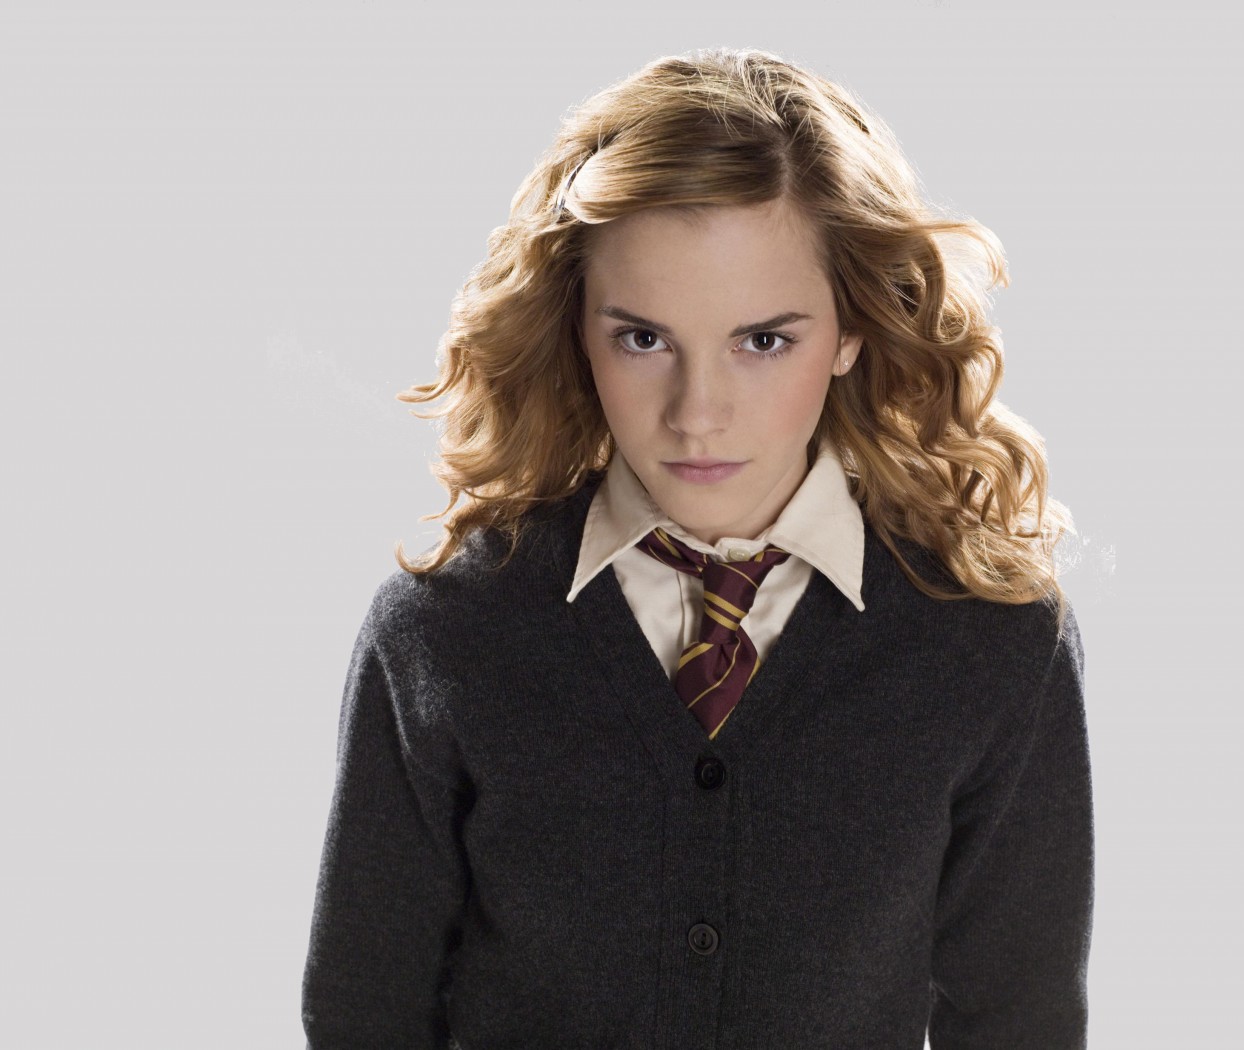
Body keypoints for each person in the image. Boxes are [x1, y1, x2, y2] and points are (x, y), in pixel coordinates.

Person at [301, 46, 1093, 1050]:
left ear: (851, 331)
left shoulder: (987, 642)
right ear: (576, 328)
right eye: (643, 339)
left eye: (763, 341)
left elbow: (1020, 1024)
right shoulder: (447, 633)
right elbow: (362, 1016)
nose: (696, 412)